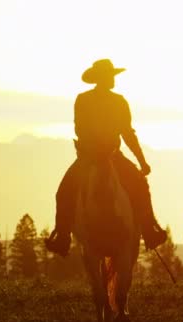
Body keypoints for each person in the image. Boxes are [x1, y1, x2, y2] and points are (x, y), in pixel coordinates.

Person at [46, 59, 167, 256]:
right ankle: (63, 236)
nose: (113, 80)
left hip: (100, 156)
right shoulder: (90, 100)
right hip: (95, 156)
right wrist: (140, 162)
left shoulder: (106, 100)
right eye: (110, 76)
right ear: (102, 78)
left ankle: (62, 237)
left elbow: (126, 133)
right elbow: (87, 128)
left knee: (65, 191)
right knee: (65, 191)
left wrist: (141, 159)